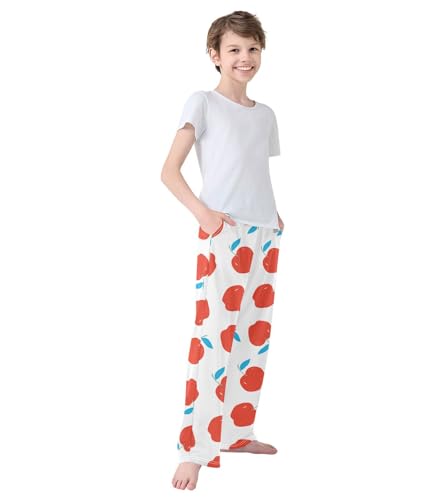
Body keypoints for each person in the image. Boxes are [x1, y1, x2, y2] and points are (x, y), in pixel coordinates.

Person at [161, 10, 285, 491]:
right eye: (234, 49)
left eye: (252, 48)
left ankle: (235, 432)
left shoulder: (266, 114)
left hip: (264, 233)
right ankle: (194, 450)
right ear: (215, 55)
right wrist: (205, 216)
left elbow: (252, 169)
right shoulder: (203, 102)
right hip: (224, 233)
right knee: (214, 338)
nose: (244, 57)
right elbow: (169, 171)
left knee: (252, 338)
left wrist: (274, 216)